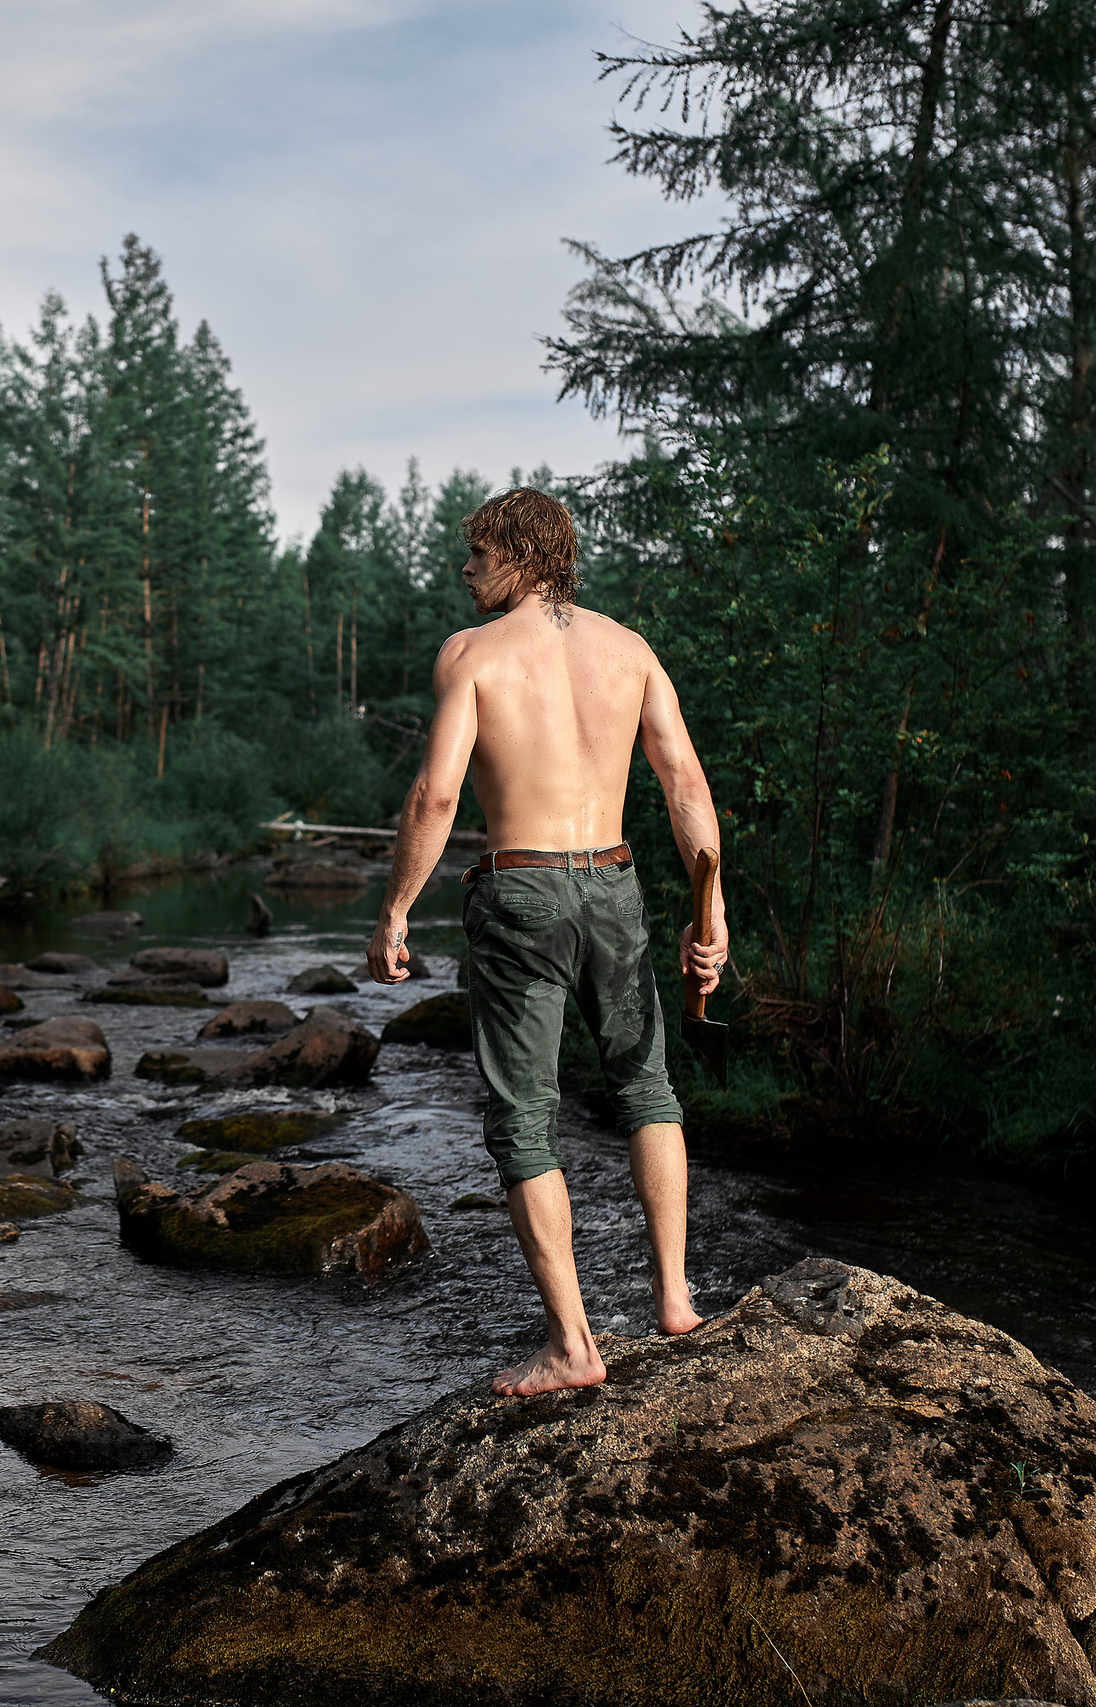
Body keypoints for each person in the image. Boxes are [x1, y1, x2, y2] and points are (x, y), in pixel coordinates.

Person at [364, 486, 726, 1399]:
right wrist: (709, 912)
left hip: (521, 888)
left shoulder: (472, 655)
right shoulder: (630, 650)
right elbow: (683, 779)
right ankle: (675, 1298)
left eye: (477, 554)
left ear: (521, 555)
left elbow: (437, 796)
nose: (465, 569)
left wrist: (397, 907)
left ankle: (573, 1346)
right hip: (614, 882)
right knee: (647, 1086)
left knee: (525, 1118)